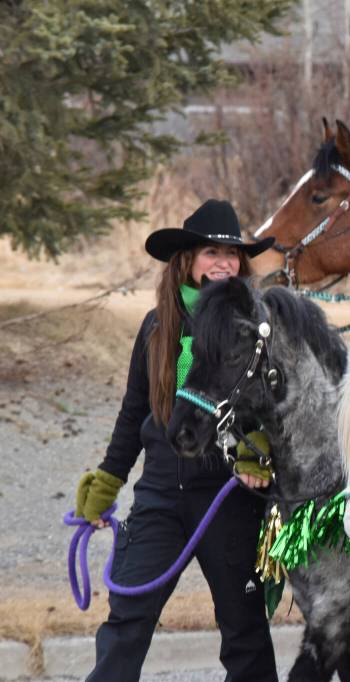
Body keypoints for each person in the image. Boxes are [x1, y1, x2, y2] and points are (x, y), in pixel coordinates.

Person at [73, 199, 279, 681]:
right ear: (186, 261)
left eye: (232, 255)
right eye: (212, 252)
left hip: (226, 497)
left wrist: (259, 451)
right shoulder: (156, 327)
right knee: (127, 619)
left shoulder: (256, 326)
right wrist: (108, 480)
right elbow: (133, 414)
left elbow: (275, 401)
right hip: (161, 495)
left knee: (244, 631)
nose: (225, 263)